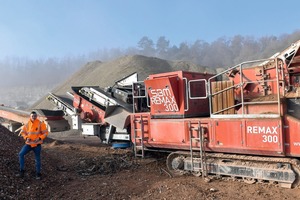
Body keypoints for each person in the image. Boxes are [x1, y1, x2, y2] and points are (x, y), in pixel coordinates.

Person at [17, 111, 49, 179]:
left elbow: (46, 133)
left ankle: (38, 174)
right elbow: (23, 132)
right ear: (30, 116)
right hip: (28, 144)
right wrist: (26, 138)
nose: (34, 117)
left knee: (37, 159)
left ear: (36, 116)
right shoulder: (27, 124)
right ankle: (22, 171)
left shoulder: (40, 124)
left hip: (37, 145)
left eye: (35, 116)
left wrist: (40, 138)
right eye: (32, 116)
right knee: (21, 154)